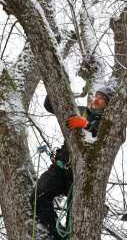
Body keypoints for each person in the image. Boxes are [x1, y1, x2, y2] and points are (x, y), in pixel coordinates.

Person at [30, 86, 115, 240]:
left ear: (107, 105)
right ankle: (58, 235)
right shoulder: (80, 110)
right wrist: (54, 87)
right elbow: (50, 106)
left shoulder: (107, 123)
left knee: (74, 219)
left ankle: (68, 234)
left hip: (78, 176)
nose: (96, 99)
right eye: (96, 96)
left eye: (101, 99)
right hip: (59, 169)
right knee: (37, 199)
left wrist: (86, 125)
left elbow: (103, 141)